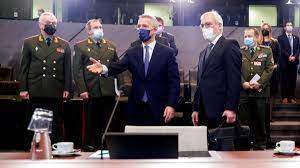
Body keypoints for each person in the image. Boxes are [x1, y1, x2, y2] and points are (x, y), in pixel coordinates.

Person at [87, 14, 180, 126]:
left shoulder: (168, 53)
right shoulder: (132, 51)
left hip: (159, 107)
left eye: (144, 26)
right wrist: (103, 68)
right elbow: (118, 66)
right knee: (136, 142)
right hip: (136, 107)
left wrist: (171, 105)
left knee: (157, 142)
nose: (141, 29)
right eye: (139, 26)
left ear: (154, 29)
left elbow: (174, 82)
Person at [18, 12, 72, 145]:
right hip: (36, 89)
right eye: (49, 24)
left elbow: (67, 70)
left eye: (54, 23)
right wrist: (23, 89)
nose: (52, 26)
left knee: (55, 123)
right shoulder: (29, 42)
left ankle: (55, 149)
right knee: (38, 123)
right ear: (41, 26)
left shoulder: (64, 44)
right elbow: (24, 68)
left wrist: (67, 88)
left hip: (55, 89)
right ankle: (37, 149)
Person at [191, 10, 242, 128]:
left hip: (221, 111)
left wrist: (231, 108)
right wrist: (196, 108)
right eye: (202, 25)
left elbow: (234, 80)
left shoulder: (229, 45)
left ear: (220, 26)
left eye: (208, 24)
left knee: (222, 146)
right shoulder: (203, 53)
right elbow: (200, 83)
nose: (204, 28)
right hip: (203, 113)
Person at [73, 19, 119, 149]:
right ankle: (89, 146)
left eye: (100, 27)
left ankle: (106, 147)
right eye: (95, 27)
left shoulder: (111, 46)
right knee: (90, 122)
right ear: (88, 31)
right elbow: (77, 70)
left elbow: (117, 68)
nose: (99, 29)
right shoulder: (80, 46)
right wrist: (82, 89)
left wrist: (119, 88)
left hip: (108, 90)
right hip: (90, 89)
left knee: (107, 122)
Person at [239, 28, 274, 150]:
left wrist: (259, 83)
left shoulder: (267, 51)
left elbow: (269, 69)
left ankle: (260, 145)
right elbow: (236, 70)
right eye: (245, 36)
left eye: (249, 36)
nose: (246, 39)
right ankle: (245, 145)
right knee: (244, 121)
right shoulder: (241, 51)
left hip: (260, 92)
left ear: (256, 37)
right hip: (244, 92)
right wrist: (243, 83)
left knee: (260, 121)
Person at [278, 21, 299, 104]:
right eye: (288, 25)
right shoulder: (280, 38)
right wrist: (288, 56)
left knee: (293, 81)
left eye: (291, 25)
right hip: (284, 62)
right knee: (284, 80)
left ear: (292, 27)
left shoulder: (296, 38)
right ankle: (284, 97)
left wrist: (295, 57)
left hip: (294, 62)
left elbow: (298, 49)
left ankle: (292, 97)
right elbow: (281, 49)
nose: (289, 26)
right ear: (285, 28)